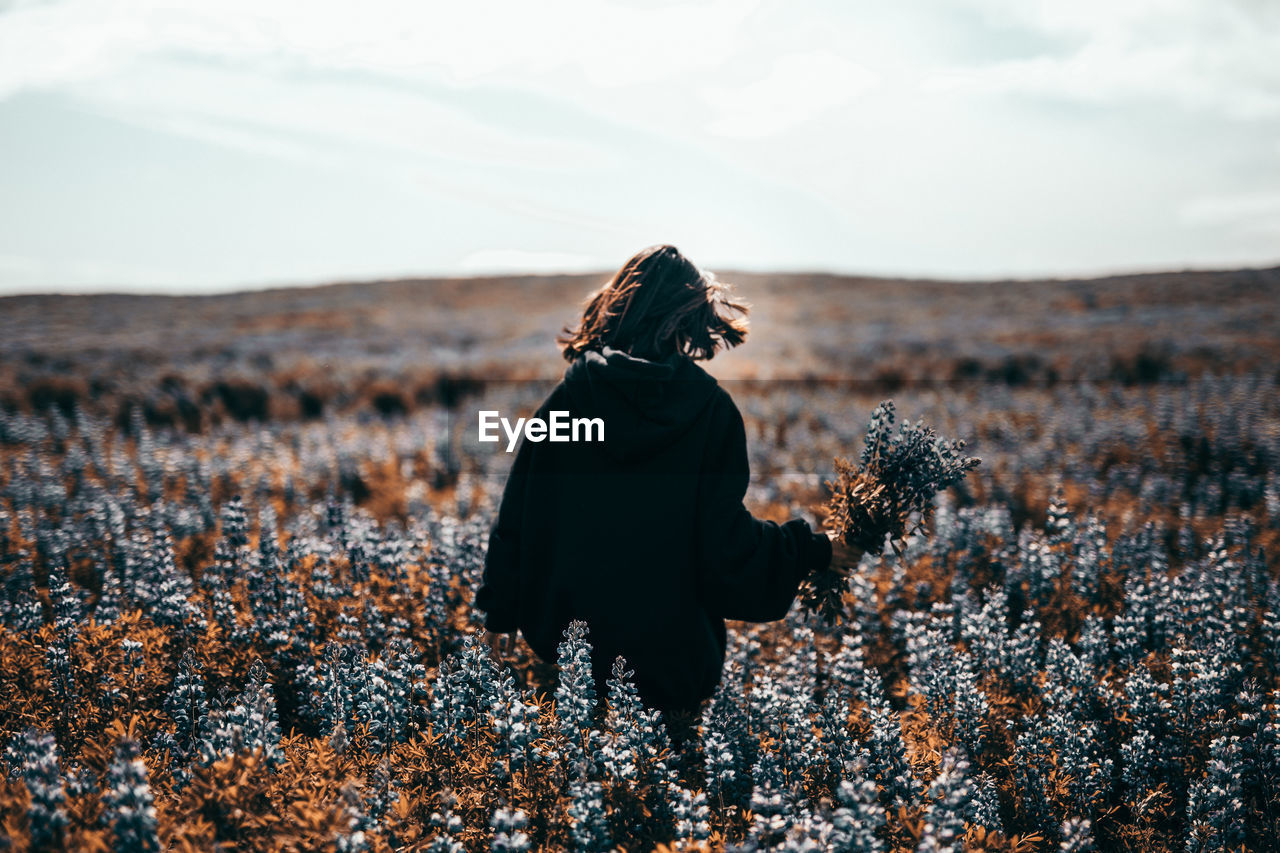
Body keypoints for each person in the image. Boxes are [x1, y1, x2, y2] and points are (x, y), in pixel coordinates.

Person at [475, 244, 862, 733]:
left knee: (583, 799)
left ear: (617, 306)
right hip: (670, 666)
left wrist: (500, 611)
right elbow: (726, 550)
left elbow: (520, 518)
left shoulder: (570, 402)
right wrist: (811, 550)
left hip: (575, 666)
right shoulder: (710, 412)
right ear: (691, 317)